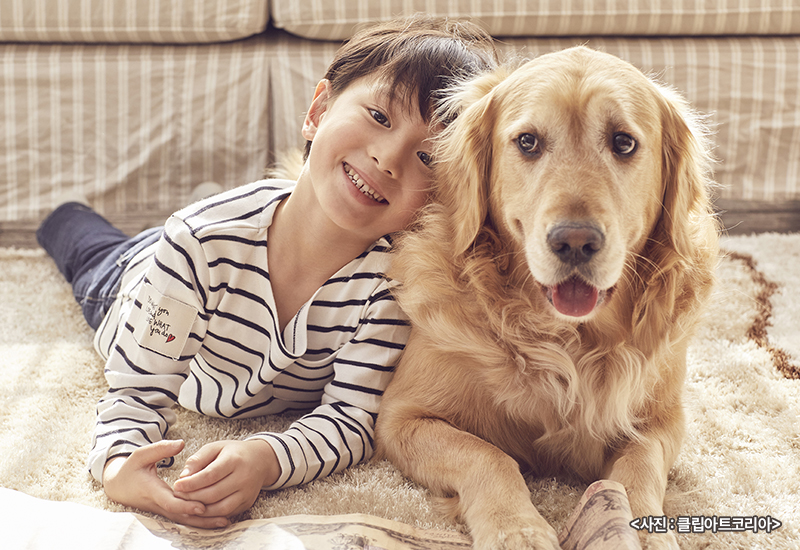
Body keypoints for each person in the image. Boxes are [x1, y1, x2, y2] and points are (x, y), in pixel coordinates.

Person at [36, 15, 498, 529]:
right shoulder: (196, 243)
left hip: (210, 265)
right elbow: (135, 392)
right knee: (86, 247)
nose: (388, 159)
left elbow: (352, 420)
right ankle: (64, 214)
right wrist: (119, 464)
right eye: (378, 117)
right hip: (131, 286)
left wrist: (268, 458)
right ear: (317, 111)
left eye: (428, 158)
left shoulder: (394, 284)